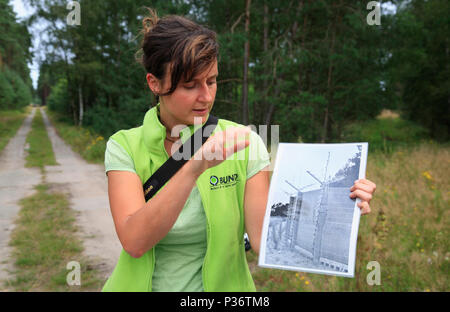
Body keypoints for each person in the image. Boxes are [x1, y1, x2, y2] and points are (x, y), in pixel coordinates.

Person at [102, 9, 376, 292]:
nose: (206, 97)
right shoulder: (124, 146)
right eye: (190, 85)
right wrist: (194, 168)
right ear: (154, 83)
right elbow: (135, 242)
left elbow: (262, 240)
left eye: (211, 81)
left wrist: (340, 207)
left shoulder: (244, 143)